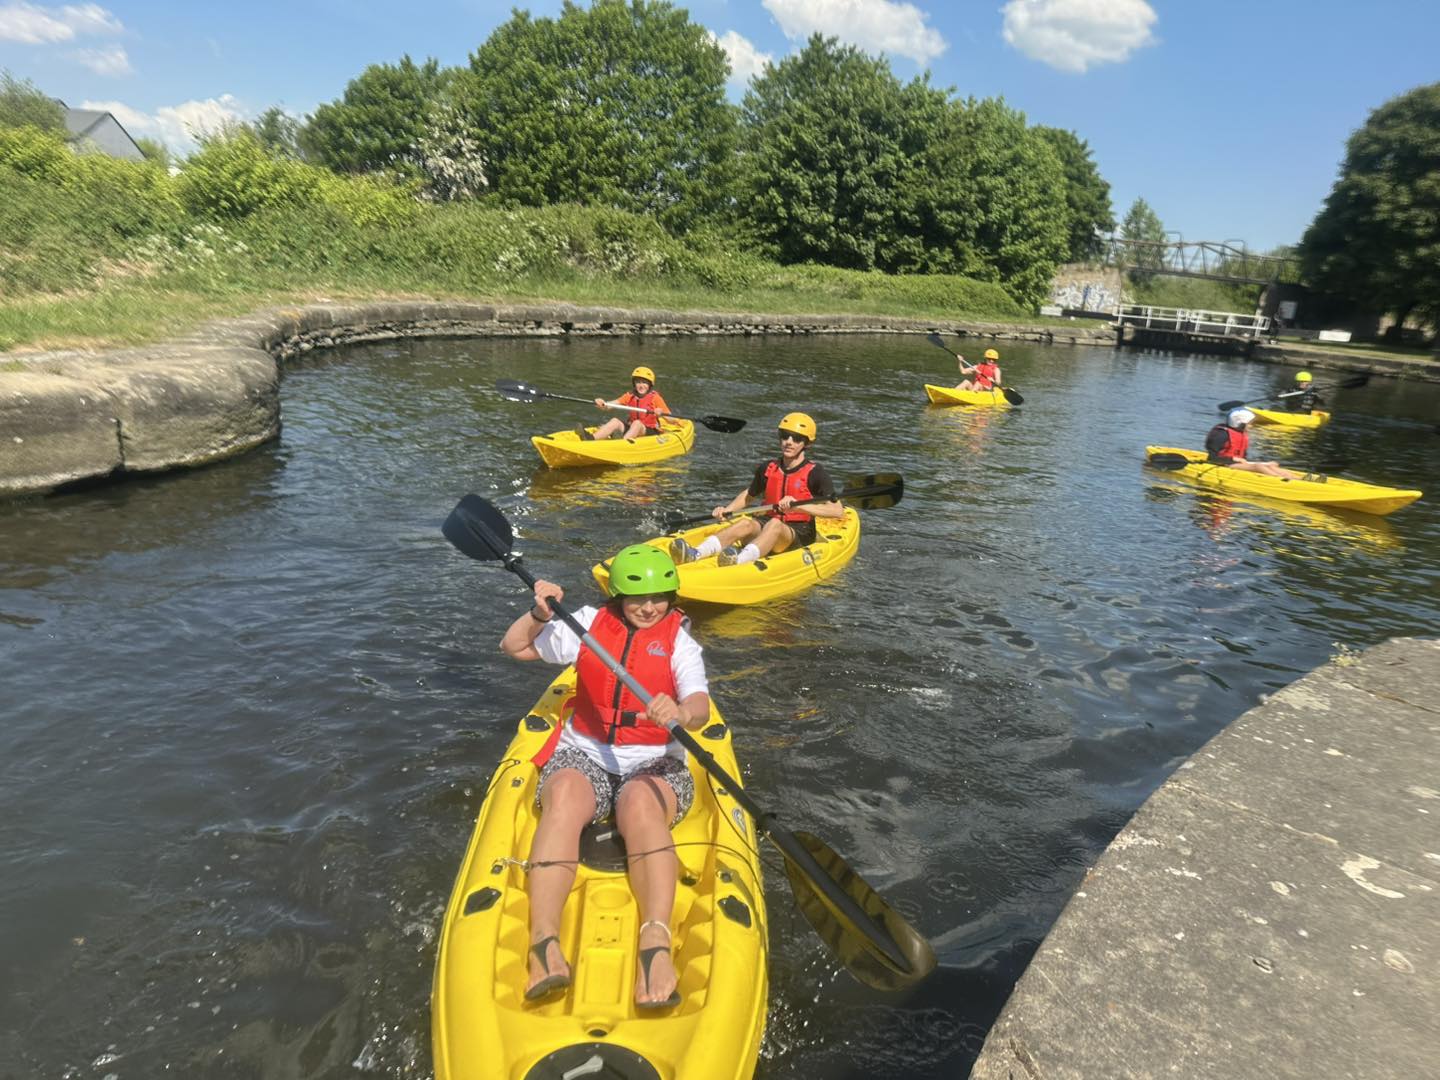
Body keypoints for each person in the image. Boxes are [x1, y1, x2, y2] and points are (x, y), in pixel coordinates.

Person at [499, 545, 709, 1009]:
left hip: (656, 760)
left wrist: (679, 712)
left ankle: (654, 943)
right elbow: (514, 647)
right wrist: (537, 613)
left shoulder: (679, 641)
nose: (649, 608)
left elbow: (699, 705)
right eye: (638, 599)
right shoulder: (588, 624)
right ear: (617, 597)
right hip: (585, 752)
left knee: (638, 804)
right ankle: (544, 941)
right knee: (566, 799)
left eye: (659, 597)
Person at [670, 412, 843, 568]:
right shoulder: (768, 468)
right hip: (767, 525)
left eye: (796, 438)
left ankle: (739, 561)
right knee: (745, 522)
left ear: (807, 443)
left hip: (797, 534)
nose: (788, 442)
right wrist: (727, 510)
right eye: (784, 436)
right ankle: (695, 554)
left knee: (775, 524)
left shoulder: (815, 473)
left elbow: (836, 510)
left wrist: (800, 507)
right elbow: (749, 495)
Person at [1204, 409, 1301, 479]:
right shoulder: (1221, 435)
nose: (1251, 426)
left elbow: (1243, 458)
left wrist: (1266, 464)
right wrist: (1232, 459)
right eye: (1249, 423)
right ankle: (1281, 480)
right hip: (1224, 464)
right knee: (1258, 467)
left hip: (1236, 463)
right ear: (1239, 423)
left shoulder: (1241, 434)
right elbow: (1212, 458)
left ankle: (1299, 479)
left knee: (1273, 465)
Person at [582, 366, 670, 441]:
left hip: (650, 431)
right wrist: (602, 403)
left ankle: (622, 444)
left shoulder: (655, 398)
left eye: (644, 382)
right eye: (638, 382)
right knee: (615, 421)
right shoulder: (630, 395)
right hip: (632, 428)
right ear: (634, 384)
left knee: (637, 423)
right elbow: (610, 406)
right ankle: (591, 438)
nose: (641, 385)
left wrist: (661, 413)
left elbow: (670, 418)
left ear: (650, 385)